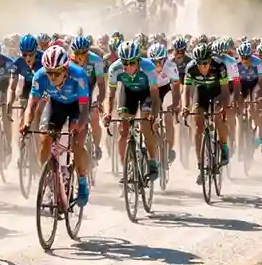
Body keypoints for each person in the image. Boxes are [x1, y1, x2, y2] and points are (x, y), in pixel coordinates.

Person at [21, 45, 93, 207]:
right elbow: (31, 105)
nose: (52, 77)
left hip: (76, 107)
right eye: (49, 73)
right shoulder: (40, 76)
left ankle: (82, 180)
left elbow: (84, 111)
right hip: (56, 105)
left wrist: (78, 127)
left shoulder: (79, 75)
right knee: (44, 139)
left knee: (77, 144)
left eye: (57, 73)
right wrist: (26, 123)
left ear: (65, 69)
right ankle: (48, 181)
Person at [104, 40, 161, 180]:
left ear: (138, 60)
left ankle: (152, 161)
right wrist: (107, 113)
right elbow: (110, 95)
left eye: (132, 63)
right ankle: (126, 168)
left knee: (146, 126)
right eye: (125, 63)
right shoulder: (114, 68)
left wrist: (154, 115)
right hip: (128, 94)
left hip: (146, 94)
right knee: (123, 130)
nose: (128, 67)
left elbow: (155, 96)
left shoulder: (148, 67)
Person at [181, 43, 232, 185]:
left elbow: (225, 91)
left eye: (205, 63)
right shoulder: (190, 68)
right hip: (201, 95)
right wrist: (185, 107)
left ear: (210, 60)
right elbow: (186, 90)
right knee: (198, 127)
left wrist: (224, 107)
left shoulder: (219, 66)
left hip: (217, 94)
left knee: (217, 116)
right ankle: (201, 166)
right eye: (199, 63)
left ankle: (224, 146)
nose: (202, 66)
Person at [68, 34, 107, 161]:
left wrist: (99, 100)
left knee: (94, 117)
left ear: (87, 51)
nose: (80, 56)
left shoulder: (96, 60)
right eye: (77, 53)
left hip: (90, 90)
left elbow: (101, 84)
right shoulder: (68, 60)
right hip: (74, 92)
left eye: (83, 53)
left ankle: (96, 146)